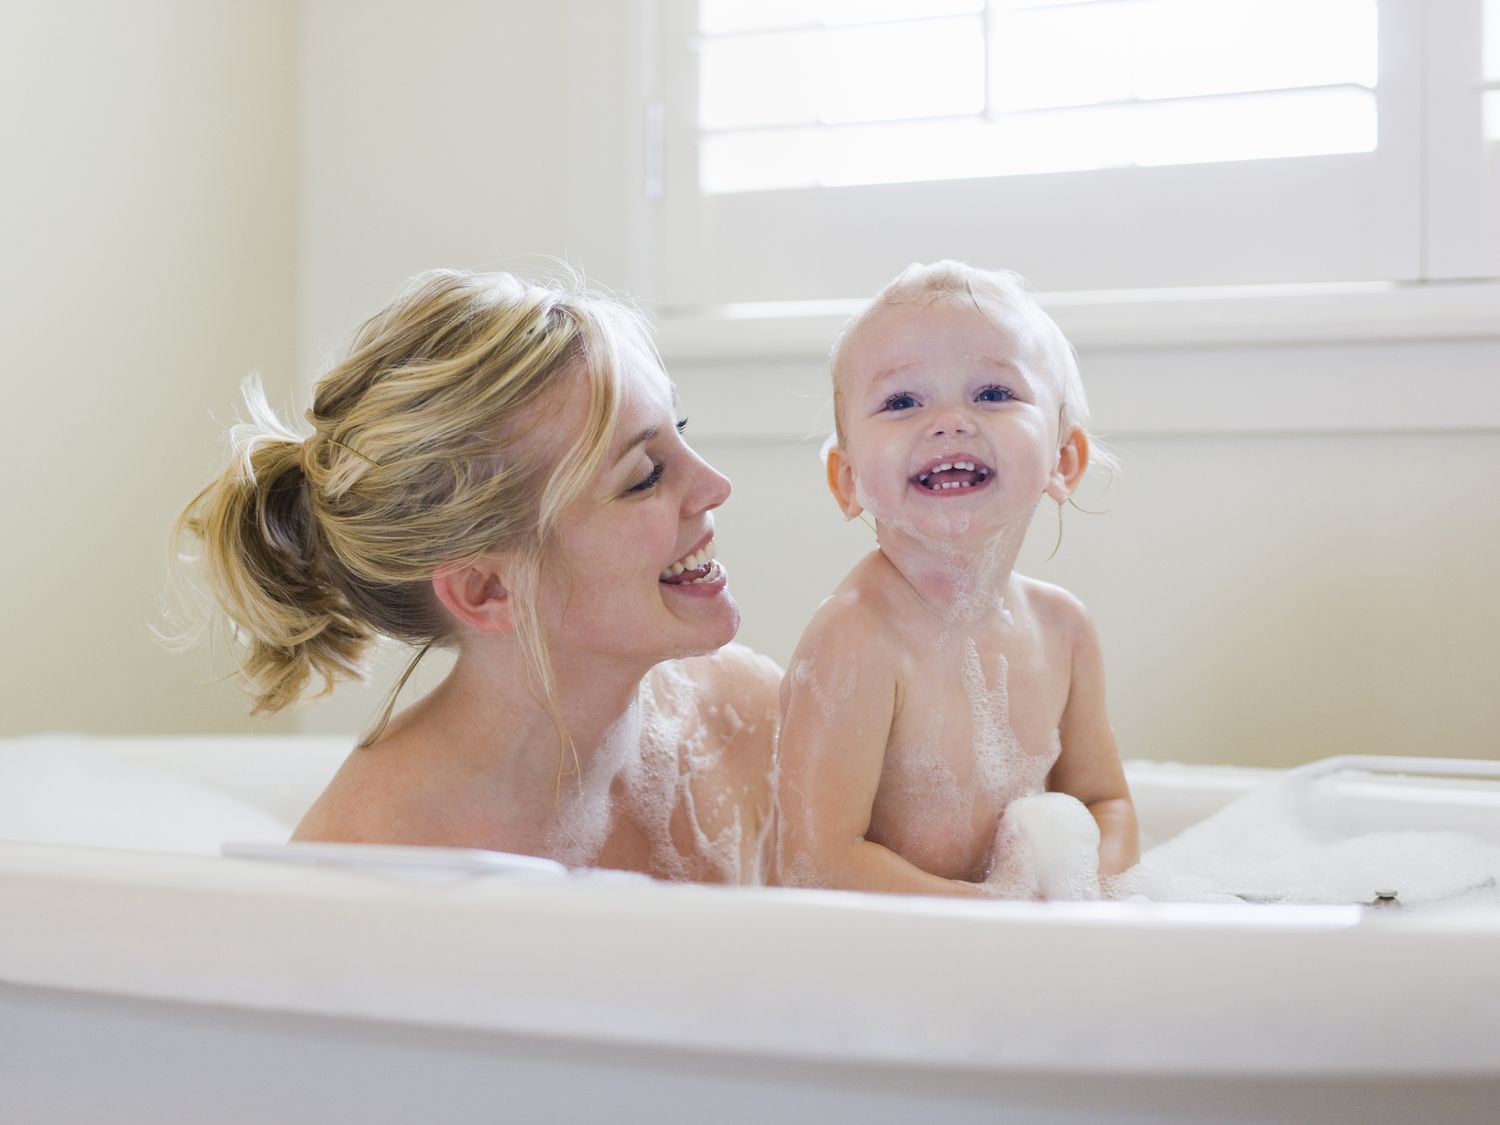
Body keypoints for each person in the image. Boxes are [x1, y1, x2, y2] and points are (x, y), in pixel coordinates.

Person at [173, 269, 780, 883]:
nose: (715, 485)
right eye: (644, 476)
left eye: (680, 433)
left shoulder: (746, 715)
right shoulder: (375, 862)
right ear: (487, 590)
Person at [771, 261, 1138, 899]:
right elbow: (815, 863)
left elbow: (1108, 803)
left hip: (996, 958)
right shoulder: (857, 637)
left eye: (993, 394)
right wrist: (995, 914)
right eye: (901, 401)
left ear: (1064, 459)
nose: (949, 421)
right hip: (892, 960)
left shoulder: (1063, 630)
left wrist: (1083, 893)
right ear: (848, 480)